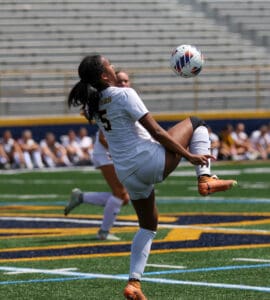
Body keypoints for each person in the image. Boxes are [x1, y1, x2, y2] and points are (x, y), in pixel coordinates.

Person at [67, 54, 237, 300]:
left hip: (126, 173)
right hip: (146, 161)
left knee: (147, 226)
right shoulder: (125, 94)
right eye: (110, 65)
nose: (114, 67)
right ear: (105, 75)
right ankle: (205, 178)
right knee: (197, 122)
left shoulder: (94, 104)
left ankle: (134, 283)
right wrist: (188, 155)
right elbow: (156, 132)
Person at [64, 71, 131, 241]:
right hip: (106, 152)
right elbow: (103, 135)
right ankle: (103, 232)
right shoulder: (110, 99)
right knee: (120, 193)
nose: (123, 83)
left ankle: (81, 197)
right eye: (119, 81)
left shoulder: (125, 98)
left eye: (126, 80)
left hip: (113, 151)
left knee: (124, 197)